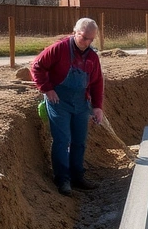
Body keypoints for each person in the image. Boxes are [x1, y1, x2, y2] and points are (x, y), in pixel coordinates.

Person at [32, 18, 104, 196]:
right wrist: (47, 89)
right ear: (75, 32)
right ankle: (63, 179)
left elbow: (96, 82)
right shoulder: (60, 49)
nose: (86, 42)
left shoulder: (92, 57)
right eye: (84, 37)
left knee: (79, 141)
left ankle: (77, 176)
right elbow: (37, 66)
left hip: (81, 103)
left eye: (91, 39)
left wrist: (97, 107)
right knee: (63, 140)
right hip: (59, 101)